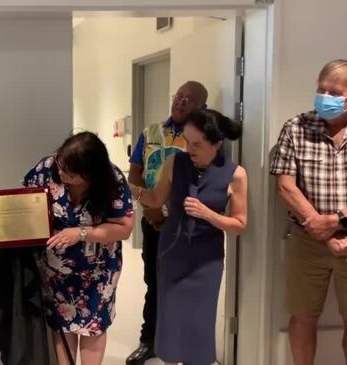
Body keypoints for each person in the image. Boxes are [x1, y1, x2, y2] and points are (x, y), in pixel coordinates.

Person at [130, 109, 247, 365]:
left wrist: (208, 215)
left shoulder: (235, 174)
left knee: (199, 326)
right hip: (172, 253)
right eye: (187, 141)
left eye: (197, 144)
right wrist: (128, 188)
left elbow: (239, 224)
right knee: (171, 325)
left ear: (217, 143)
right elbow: (155, 199)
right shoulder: (175, 163)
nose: (189, 148)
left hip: (206, 261)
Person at [22, 132, 134, 365]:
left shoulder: (112, 180)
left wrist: (81, 233)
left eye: (70, 173)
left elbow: (124, 228)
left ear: (90, 174)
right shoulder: (47, 168)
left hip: (99, 269)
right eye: (61, 166)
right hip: (56, 267)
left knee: (93, 324)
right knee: (62, 323)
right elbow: (23, 206)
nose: (61, 174)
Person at [270, 59, 347, 365]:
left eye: (333, 91)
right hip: (306, 239)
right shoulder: (296, 128)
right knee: (302, 316)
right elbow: (285, 187)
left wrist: (335, 221)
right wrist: (316, 225)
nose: (324, 97)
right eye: (321, 89)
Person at [126, 81, 208, 365]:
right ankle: (150, 341)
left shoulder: (203, 138)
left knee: (183, 283)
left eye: (189, 99)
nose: (181, 102)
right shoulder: (150, 132)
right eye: (179, 96)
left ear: (202, 107)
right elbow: (135, 172)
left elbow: (205, 181)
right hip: (151, 218)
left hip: (186, 223)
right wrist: (147, 206)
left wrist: (170, 211)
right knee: (154, 281)